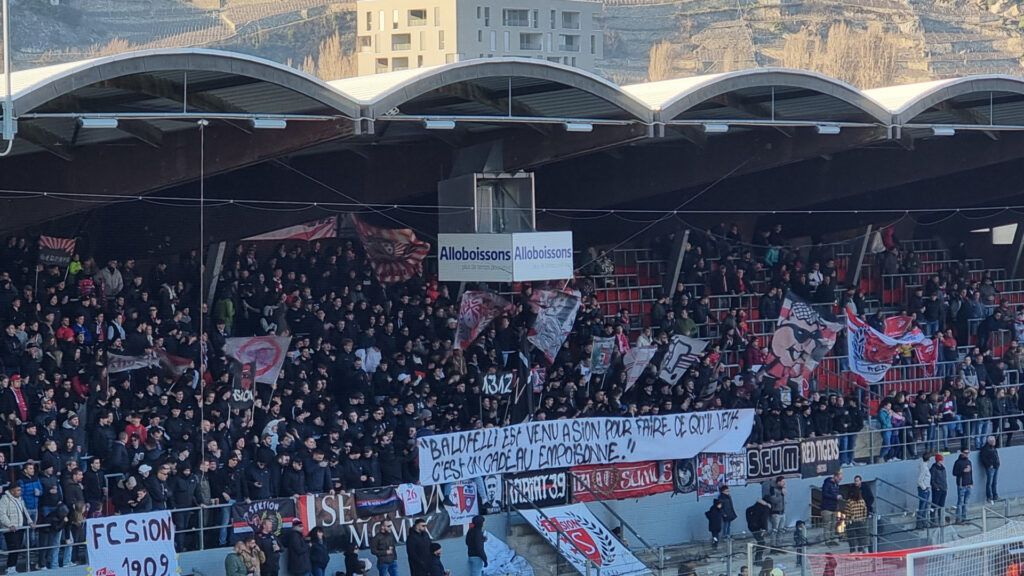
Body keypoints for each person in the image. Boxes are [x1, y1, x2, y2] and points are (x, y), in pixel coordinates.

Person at [0, 482, 32, 573]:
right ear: (12, 491)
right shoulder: (4, 499)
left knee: (17, 548)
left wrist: (30, 521)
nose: (20, 492)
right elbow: (2, 514)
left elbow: (24, 510)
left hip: (19, 527)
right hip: (10, 529)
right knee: (13, 548)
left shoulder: (20, 499)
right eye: (18, 490)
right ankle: (10, 567)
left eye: (20, 490)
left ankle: (13, 567)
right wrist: (10, 525)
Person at [760, 476, 786, 546]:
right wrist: (781, 494)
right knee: (774, 530)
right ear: (779, 482)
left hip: (782, 512)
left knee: (781, 530)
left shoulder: (782, 489)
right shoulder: (773, 489)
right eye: (783, 482)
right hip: (775, 513)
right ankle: (773, 546)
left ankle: (779, 545)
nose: (784, 483)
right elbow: (774, 500)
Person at [821, 470, 843, 545]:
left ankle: (831, 538)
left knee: (833, 524)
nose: (840, 481)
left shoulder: (836, 485)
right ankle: (827, 540)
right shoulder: (827, 483)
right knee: (827, 525)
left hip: (834, 507)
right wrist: (835, 497)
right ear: (835, 476)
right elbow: (825, 494)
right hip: (827, 508)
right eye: (839, 479)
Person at [844, 486, 868, 553]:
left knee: (851, 538)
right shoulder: (862, 501)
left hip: (852, 522)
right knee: (860, 538)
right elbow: (865, 511)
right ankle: (860, 553)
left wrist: (846, 522)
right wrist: (863, 519)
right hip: (860, 521)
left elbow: (847, 513)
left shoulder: (849, 502)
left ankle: (853, 553)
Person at [952, 448, 974, 524]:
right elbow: (954, 473)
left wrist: (971, 483)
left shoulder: (969, 462)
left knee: (966, 502)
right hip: (961, 485)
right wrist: (963, 471)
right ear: (961, 453)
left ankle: (964, 517)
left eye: (968, 453)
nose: (967, 454)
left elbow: (971, 473)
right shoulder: (957, 462)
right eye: (965, 453)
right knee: (960, 502)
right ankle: (958, 518)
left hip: (968, 485)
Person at [980, 435, 1000, 502]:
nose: (995, 442)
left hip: (995, 466)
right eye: (994, 441)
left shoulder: (993, 448)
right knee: (989, 483)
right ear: (990, 442)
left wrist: (998, 463)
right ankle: (989, 496)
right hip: (991, 468)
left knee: (994, 482)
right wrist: (989, 465)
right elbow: (983, 459)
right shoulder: (985, 449)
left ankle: (995, 495)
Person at [930, 453, 948, 526]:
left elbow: (945, 478)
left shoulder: (943, 468)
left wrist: (946, 487)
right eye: (940, 460)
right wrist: (936, 487)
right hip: (937, 490)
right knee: (934, 505)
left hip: (944, 489)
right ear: (937, 460)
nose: (942, 461)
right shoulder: (933, 468)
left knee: (942, 506)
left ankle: (941, 520)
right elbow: (932, 480)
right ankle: (932, 520)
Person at [916, 454, 932, 528]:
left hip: (924, 489)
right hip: (924, 489)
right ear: (929, 459)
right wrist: (924, 488)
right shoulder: (924, 468)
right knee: (923, 507)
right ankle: (920, 523)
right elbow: (919, 480)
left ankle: (923, 522)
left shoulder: (923, 466)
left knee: (924, 506)